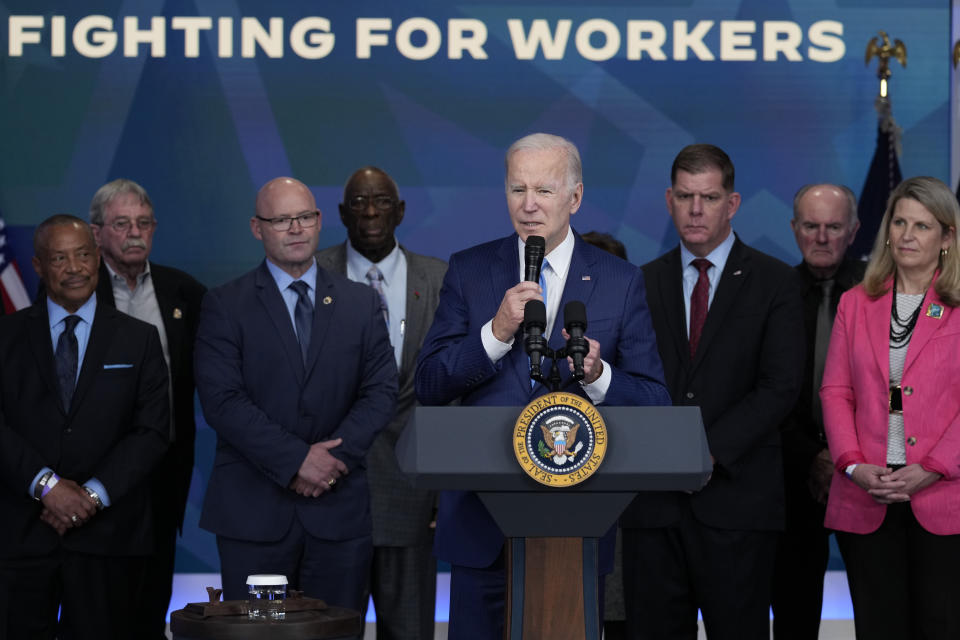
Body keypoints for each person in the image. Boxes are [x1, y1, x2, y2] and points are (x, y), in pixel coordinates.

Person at [415, 133, 670, 639]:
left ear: (574, 198)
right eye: (517, 189)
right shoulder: (470, 270)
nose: (528, 205)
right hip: (481, 525)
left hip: (576, 521)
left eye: (544, 191)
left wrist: (600, 377)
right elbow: (429, 383)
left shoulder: (620, 280)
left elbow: (654, 399)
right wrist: (494, 335)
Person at [621, 144, 805, 640]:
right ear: (668, 200)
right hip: (654, 509)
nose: (696, 209)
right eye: (685, 196)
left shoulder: (775, 282)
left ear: (734, 202)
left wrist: (707, 453)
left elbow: (780, 386)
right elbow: (631, 383)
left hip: (738, 504)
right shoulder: (641, 282)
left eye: (709, 196)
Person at [194, 177, 398, 617]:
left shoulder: (360, 303)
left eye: (304, 217)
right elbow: (222, 402)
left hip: (338, 514)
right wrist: (297, 460)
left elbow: (381, 391)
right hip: (255, 518)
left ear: (320, 221)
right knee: (260, 635)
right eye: (281, 220)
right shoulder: (225, 305)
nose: (296, 229)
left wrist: (330, 462)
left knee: (335, 632)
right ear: (256, 227)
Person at [0, 215, 169, 639]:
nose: (74, 267)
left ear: (98, 258)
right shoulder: (5, 336)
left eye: (82, 255)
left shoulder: (139, 338)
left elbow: (151, 432)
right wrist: (46, 487)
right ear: (38, 266)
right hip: (21, 537)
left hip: (109, 540)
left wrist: (89, 497)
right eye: (59, 258)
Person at [821, 175, 960, 639]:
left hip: (943, 499)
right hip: (868, 494)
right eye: (899, 222)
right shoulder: (856, 303)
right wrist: (854, 465)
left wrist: (934, 467)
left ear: (947, 237)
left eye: (922, 226)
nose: (905, 235)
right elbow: (836, 392)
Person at [316, 166, 446, 640]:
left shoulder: (439, 278)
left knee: (411, 632)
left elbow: (453, 394)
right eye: (359, 202)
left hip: (413, 496)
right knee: (326, 631)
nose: (370, 212)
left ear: (401, 211)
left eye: (382, 201)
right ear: (341, 214)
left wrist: (443, 487)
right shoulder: (313, 274)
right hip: (328, 493)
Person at [87, 179, 206, 638]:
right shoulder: (75, 290)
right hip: (92, 480)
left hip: (163, 477)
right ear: (97, 233)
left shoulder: (185, 294)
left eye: (143, 223)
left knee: (152, 605)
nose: (134, 233)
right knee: (97, 613)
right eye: (121, 224)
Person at [772, 184, 863, 639]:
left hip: (868, 476)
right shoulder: (771, 294)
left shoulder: (880, 296)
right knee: (793, 616)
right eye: (811, 226)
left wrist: (845, 459)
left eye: (833, 226)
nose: (822, 237)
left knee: (879, 609)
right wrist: (813, 457)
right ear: (794, 229)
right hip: (790, 477)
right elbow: (766, 390)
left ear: (854, 231)